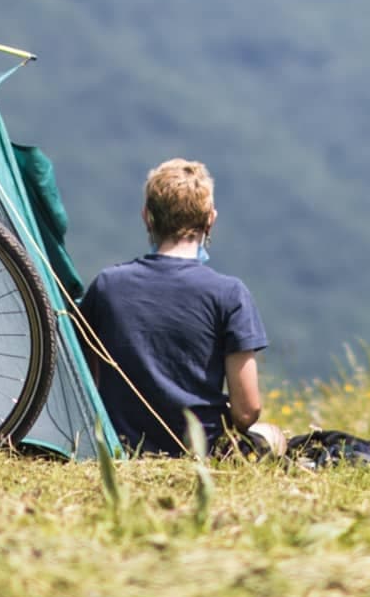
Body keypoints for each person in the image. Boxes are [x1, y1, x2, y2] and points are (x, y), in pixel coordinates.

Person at [78, 159, 277, 456]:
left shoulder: (107, 285)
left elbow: (87, 382)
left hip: (119, 445)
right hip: (201, 448)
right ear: (210, 220)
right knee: (271, 435)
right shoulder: (230, 293)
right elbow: (246, 411)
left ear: (147, 217)